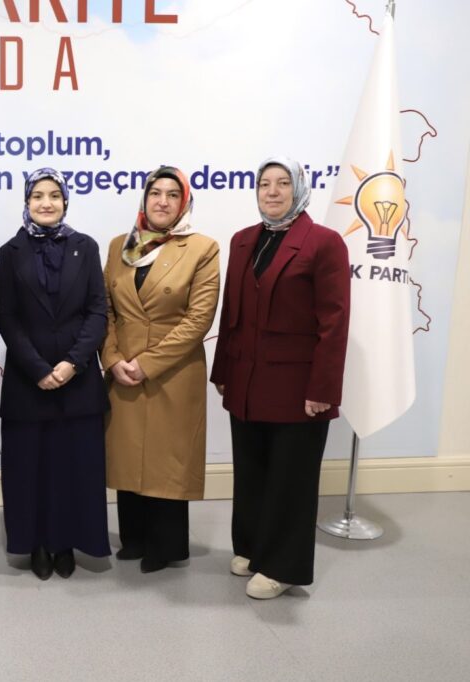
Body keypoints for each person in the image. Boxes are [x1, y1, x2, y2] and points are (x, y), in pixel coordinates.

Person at [210, 157, 350, 599]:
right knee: (251, 470)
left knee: (291, 479)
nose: (271, 192)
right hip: (246, 381)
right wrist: (222, 370)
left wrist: (323, 390)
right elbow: (231, 313)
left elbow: (335, 323)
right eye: (264, 184)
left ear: (299, 188)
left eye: (282, 183)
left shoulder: (324, 243)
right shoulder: (242, 240)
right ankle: (252, 549)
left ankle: (283, 567)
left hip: (298, 388)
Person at [101, 165, 220, 574]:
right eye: (155, 193)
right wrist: (112, 359)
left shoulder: (202, 248)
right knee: (128, 456)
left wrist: (147, 363)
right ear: (144, 198)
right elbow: (105, 310)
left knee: (167, 461)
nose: (163, 201)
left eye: (173, 194)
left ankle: (165, 546)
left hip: (173, 370)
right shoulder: (120, 246)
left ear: (183, 203)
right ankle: (133, 538)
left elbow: (198, 319)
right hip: (122, 369)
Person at [0, 168, 110, 580]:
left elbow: (98, 310)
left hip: (78, 379)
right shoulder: (10, 251)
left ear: (65, 201)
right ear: (26, 202)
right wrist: (39, 369)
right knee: (31, 469)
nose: (46, 202)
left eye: (54, 195)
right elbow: (6, 316)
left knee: (74, 466)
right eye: (37, 195)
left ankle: (67, 543)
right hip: (28, 381)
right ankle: (37, 544)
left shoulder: (86, 246)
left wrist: (73, 363)